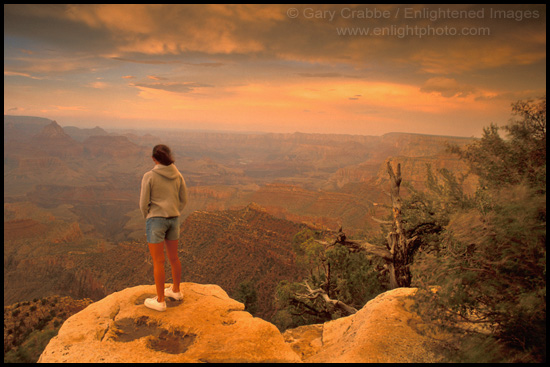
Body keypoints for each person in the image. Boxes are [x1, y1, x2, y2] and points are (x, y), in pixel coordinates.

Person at [139, 144, 188, 311]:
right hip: (174, 219)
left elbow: (143, 202)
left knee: (158, 261)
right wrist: (174, 211)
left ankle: (160, 300)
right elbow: (184, 199)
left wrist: (149, 215)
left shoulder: (149, 176)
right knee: (174, 258)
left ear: (154, 158)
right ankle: (176, 290)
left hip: (156, 220)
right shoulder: (178, 175)